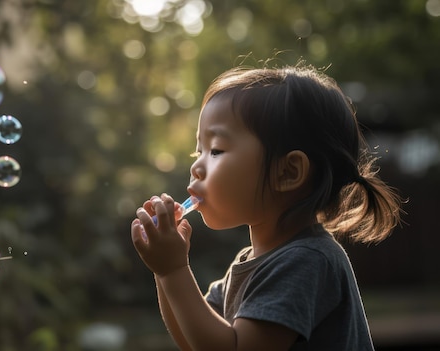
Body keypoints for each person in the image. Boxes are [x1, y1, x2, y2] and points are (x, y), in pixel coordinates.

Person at [130, 64, 403, 351]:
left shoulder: (306, 261)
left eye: (216, 150)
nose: (197, 166)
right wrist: (163, 271)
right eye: (198, 151)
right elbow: (194, 342)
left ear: (287, 172)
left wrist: (174, 270)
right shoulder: (253, 261)